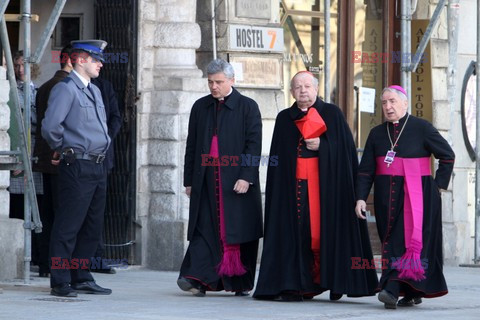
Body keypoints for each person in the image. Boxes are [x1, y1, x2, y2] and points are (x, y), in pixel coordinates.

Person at [253, 71, 378, 301]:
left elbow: (347, 154)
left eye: (307, 86)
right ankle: (298, 285)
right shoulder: (284, 118)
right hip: (293, 189)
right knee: (297, 234)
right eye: (298, 87)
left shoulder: (332, 114)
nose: (303, 90)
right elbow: (278, 159)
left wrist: (324, 145)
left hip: (326, 188)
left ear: (316, 89)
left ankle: (334, 281)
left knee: (323, 234)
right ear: (291, 92)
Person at [354, 85, 455, 309]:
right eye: (384, 103)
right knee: (390, 239)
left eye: (392, 101)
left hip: (416, 197)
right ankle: (411, 291)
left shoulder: (422, 128)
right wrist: (361, 198)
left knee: (403, 241)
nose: (388, 107)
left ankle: (390, 289)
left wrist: (436, 186)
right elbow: (366, 170)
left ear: (405, 103)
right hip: (384, 198)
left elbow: (447, 156)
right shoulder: (377, 133)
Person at [177, 59, 263, 297]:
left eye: (219, 82)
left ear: (232, 81)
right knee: (204, 228)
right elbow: (191, 146)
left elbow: (253, 145)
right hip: (205, 179)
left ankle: (239, 283)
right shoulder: (200, 106)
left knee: (237, 231)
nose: (213, 87)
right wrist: (189, 181)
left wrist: (246, 177)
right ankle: (198, 279)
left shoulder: (248, 107)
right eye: (210, 82)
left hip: (235, 182)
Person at [42, 39, 111, 297]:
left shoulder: (93, 90)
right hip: (78, 163)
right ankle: (60, 280)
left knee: (91, 226)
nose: (101, 64)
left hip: (97, 164)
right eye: (96, 60)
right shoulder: (66, 89)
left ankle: (81, 275)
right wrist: (63, 147)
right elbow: (51, 126)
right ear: (80, 60)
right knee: (68, 225)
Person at [33, 44, 73, 278]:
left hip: (47, 159)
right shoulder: (65, 87)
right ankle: (57, 266)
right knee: (62, 215)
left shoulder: (47, 85)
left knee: (49, 213)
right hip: (61, 160)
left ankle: (47, 264)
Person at [8, 50, 44, 266]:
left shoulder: (39, 92)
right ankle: (19, 257)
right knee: (17, 206)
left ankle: (38, 256)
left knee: (37, 204)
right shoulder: (11, 92)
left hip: (36, 155)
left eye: (25, 65)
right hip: (19, 153)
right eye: (18, 65)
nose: (21, 70)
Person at [90, 76, 122, 274]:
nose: (100, 65)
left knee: (96, 212)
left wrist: (105, 140)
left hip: (102, 158)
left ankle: (95, 259)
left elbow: (115, 117)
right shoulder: (67, 87)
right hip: (78, 158)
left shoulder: (104, 86)